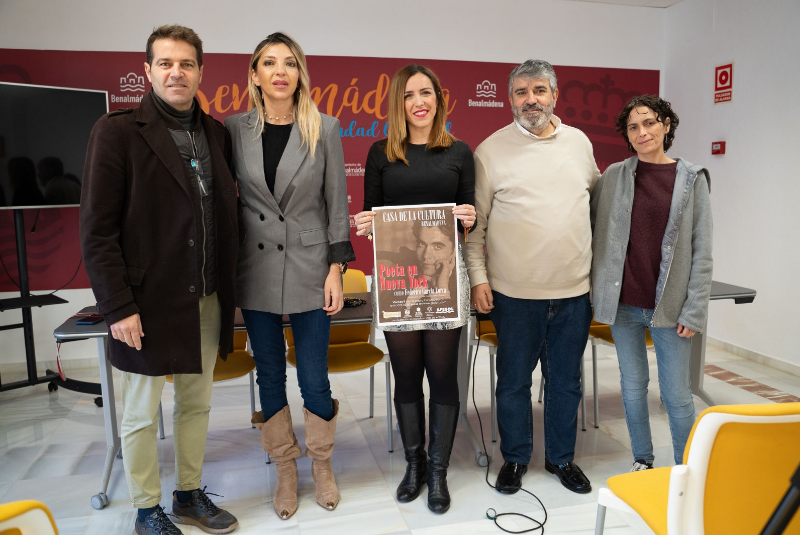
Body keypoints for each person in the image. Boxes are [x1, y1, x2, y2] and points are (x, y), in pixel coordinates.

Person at [80, 25, 239, 535]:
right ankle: (147, 507)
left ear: (199, 73)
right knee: (142, 413)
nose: (177, 72)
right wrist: (117, 307)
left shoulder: (215, 133)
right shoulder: (118, 131)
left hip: (207, 295)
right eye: (166, 63)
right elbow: (97, 230)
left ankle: (189, 494)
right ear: (147, 71)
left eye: (187, 64)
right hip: (144, 303)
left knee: (197, 403)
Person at [225, 32, 355, 521]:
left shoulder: (325, 126)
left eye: (290, 63)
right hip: (255, 266)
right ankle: (284, 467)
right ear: (255, 74)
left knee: (315, 378)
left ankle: (321, 464)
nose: (280, 71)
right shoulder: (234, 128)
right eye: (269, 63)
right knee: (270, 374)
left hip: (309, 264)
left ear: (300, 74)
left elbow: (336, 203)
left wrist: (336, 268)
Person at [464, 59, 600, 495]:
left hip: (574, 293)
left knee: (565, 383)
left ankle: (562, 459)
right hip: (514, 296)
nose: (531, 100)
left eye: (539, 90)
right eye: (521, 92)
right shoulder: (489, 151)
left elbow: (596, 210)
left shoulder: (579, 144)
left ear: (555, 96)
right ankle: (516, 458)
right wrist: (478, 278)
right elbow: (475, 229)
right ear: (509, 99)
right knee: (514, 384)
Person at [353, 64, 475, 514]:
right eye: (409, 95)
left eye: (426, 93)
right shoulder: (380, 153)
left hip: (444, 280)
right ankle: (414, 465)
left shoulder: (460, 151)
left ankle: (439, 470)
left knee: (442, 375)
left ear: (439, 100)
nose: (419, 102)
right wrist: (365, 224)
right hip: (398, 281)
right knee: (405, 375)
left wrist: (469, 217)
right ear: (398, 103)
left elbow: (470, 215)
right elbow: (371, 217)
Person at [591, 95, 712, 471]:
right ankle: (642, 460)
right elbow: (593, 229)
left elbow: (702, 250)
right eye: (633, 127)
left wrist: (695, 310)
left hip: (670, 308)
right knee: (632, 388)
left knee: (677, 395)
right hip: (624, 304)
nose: (642, 132)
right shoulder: (614, 176)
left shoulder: (692, 179)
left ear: (666, 125)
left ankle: (685, 468)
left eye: (649, 123)